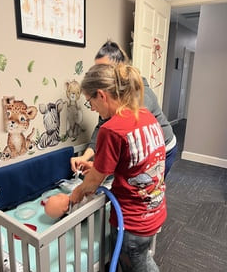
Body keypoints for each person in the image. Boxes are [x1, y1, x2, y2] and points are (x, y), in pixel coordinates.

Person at [46, 63, 166, 272]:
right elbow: (136, 161)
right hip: (155, 211)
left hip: (132, 224)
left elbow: (92, 184)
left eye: (90, 103)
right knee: (145, 262)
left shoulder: (111, 130)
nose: (92, 108)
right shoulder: (146, 117)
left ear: (101, 95)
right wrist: (96, 165)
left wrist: (74, 196)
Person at [71, 40, 177, 178]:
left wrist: (99, 168)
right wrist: (86, 156)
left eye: (103, 69)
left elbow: (133, 144)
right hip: (142, 150)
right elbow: (102, 126)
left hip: (163, 148)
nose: (98, 74)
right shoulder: (108, 97)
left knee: (147, 188)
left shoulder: (140, 96)